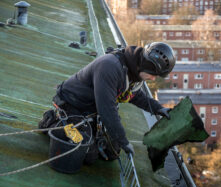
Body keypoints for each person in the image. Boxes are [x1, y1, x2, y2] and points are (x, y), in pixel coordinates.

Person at [39, 42, 176, 162]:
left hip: (91, 109)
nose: (153, 79)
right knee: (88, 154)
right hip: (73, 104)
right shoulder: (110, 67)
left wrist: (158, 108)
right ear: (147, 66)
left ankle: (86, 130)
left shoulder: (132, 72)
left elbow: (134, 95)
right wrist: (123, 140)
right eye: (154, 75)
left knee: (112, 153)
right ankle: (51, 121)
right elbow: (107, 110)